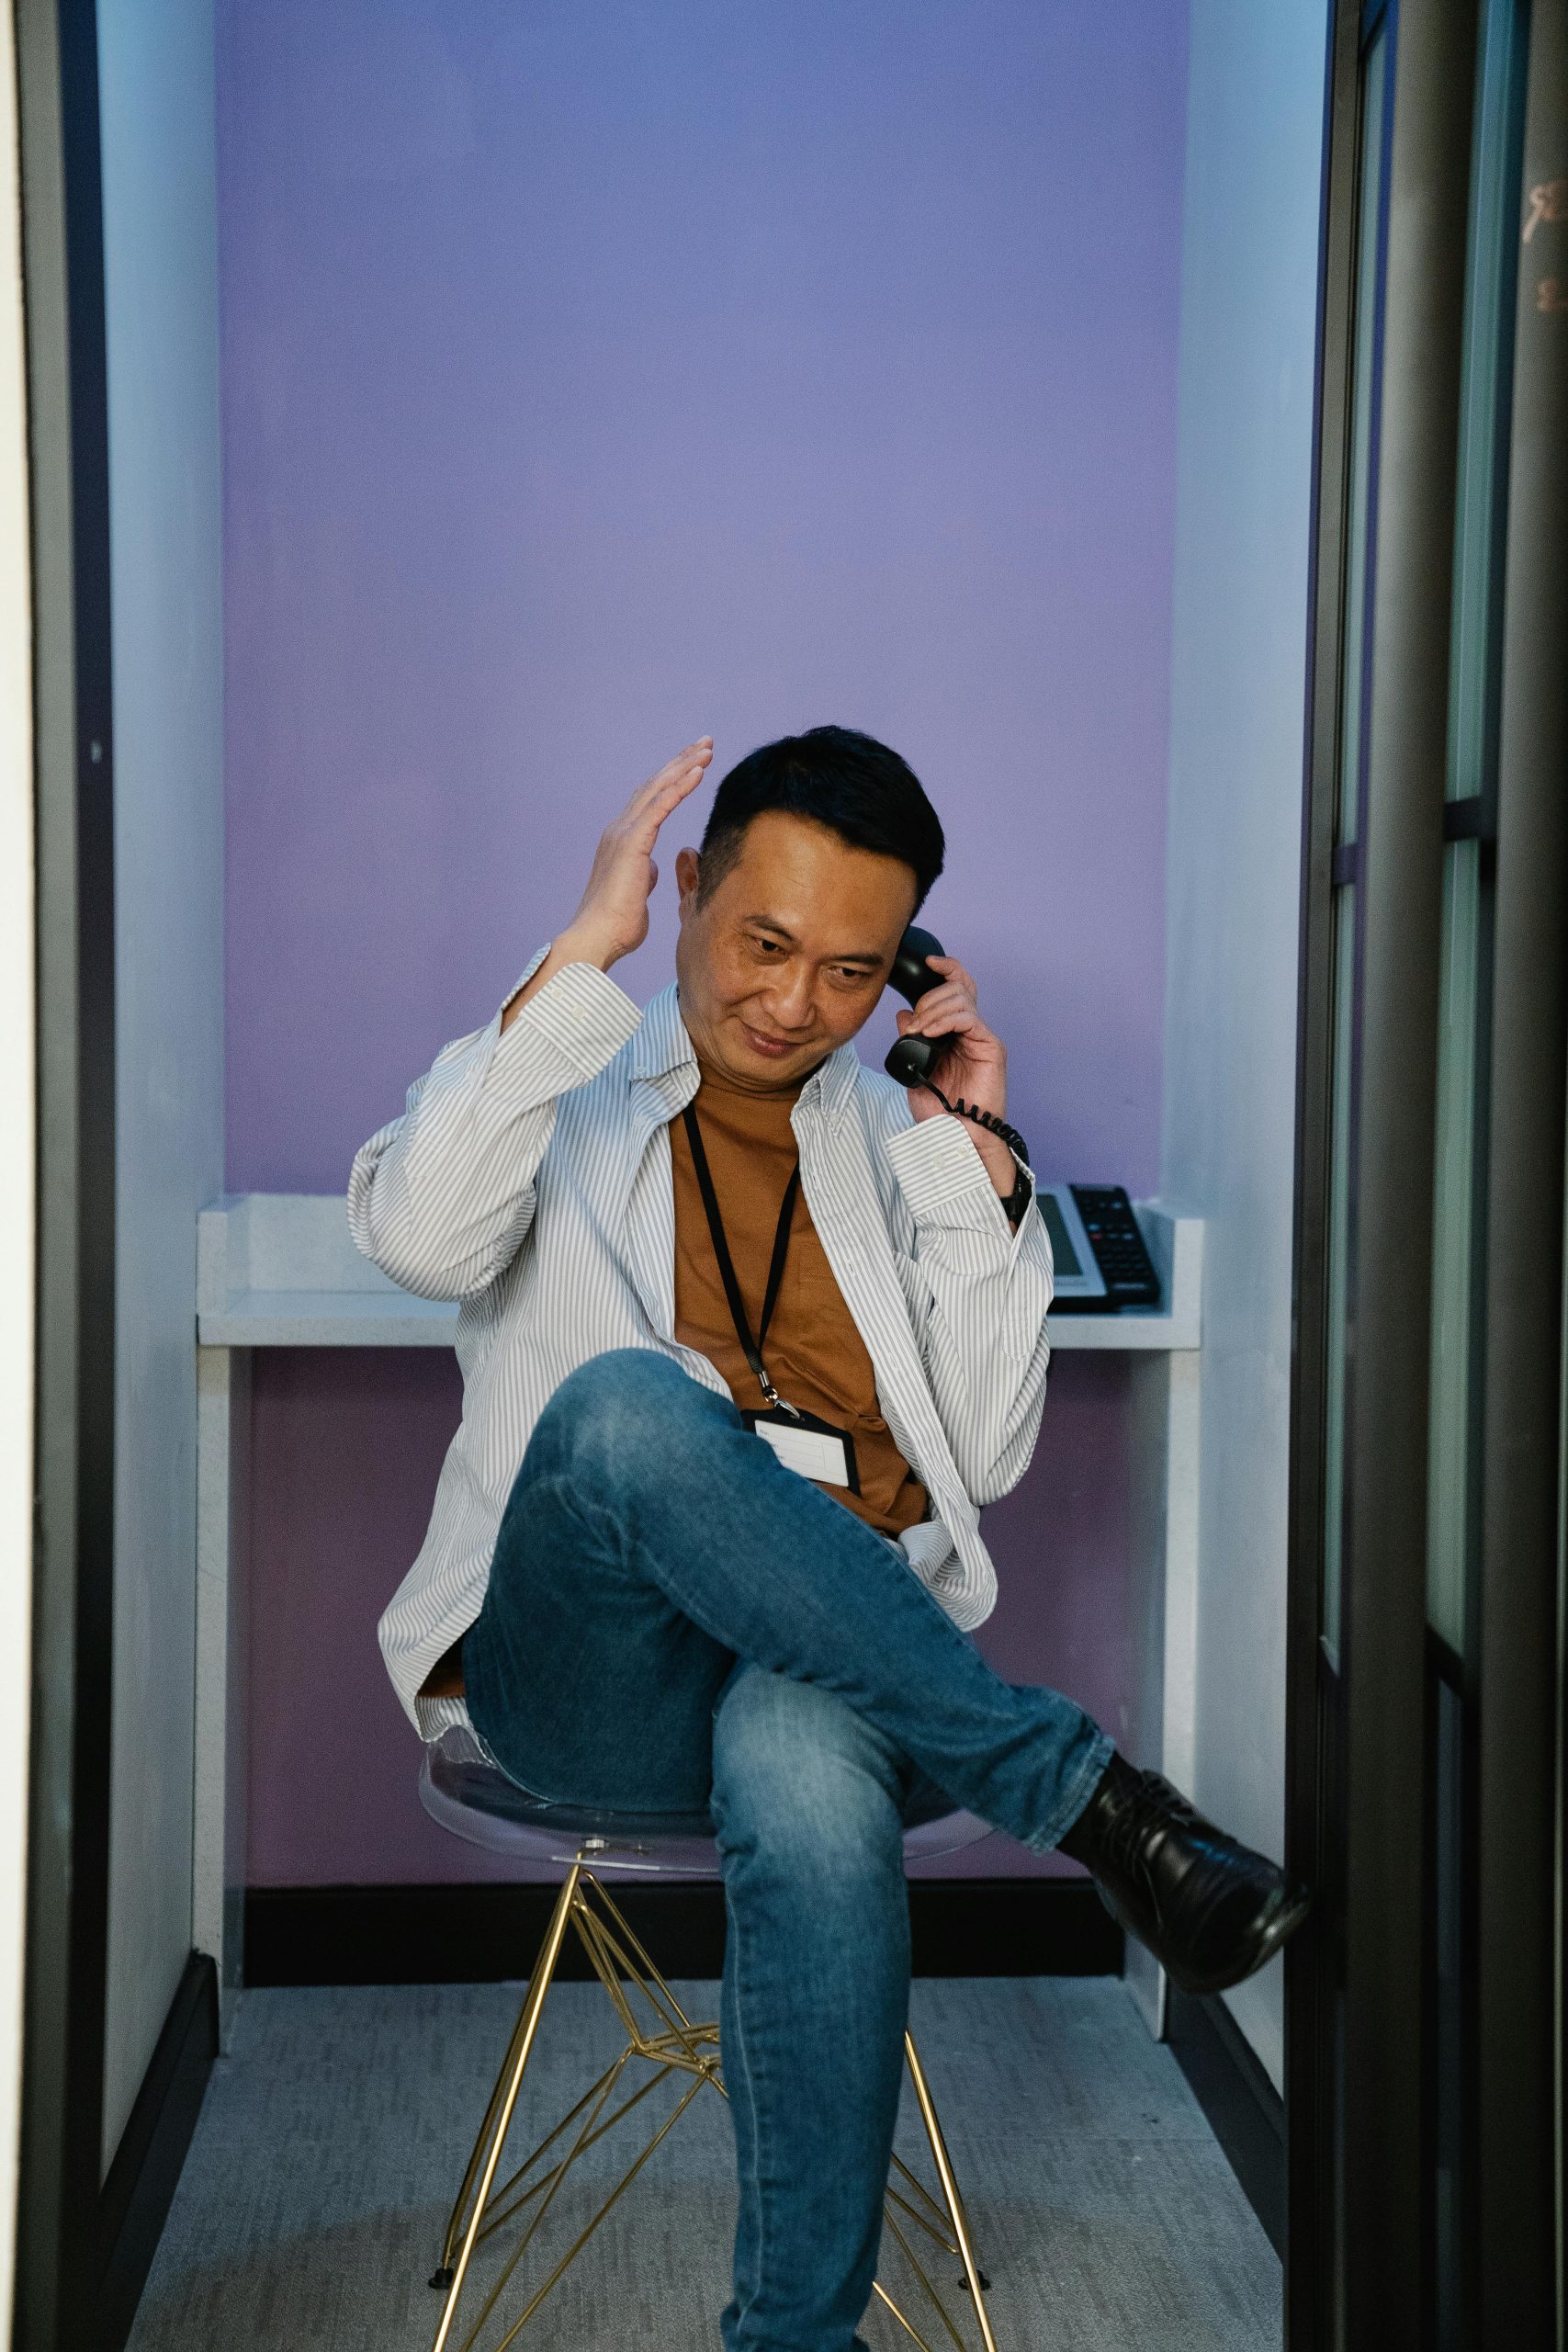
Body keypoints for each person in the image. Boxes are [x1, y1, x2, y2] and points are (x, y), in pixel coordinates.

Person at [348, 726, 1309, 2352]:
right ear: (690, 891)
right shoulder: (559, 1087)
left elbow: (986, 1455)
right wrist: (580, 953)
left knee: (801, 1739)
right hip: (597, 1685)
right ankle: (1085, 1796)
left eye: (852, 972)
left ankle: (796, 2339)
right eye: (763, 943)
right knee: (631, 1406)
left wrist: (973, 1153)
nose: (795, 1004)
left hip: (835, 1667)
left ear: (902, 973)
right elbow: (420, 1238)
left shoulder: (893, 1141)